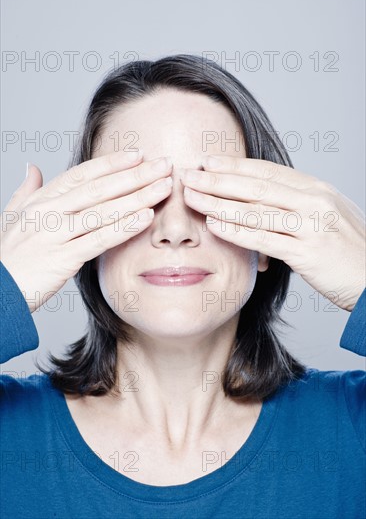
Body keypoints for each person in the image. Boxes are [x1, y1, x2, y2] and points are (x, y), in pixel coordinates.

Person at [0, 54, 365, 518]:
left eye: (212, 191)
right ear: (84, 234)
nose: (174, 230)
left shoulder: (352, 428)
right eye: (137, 194)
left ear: (268, 236)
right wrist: (4, 290)